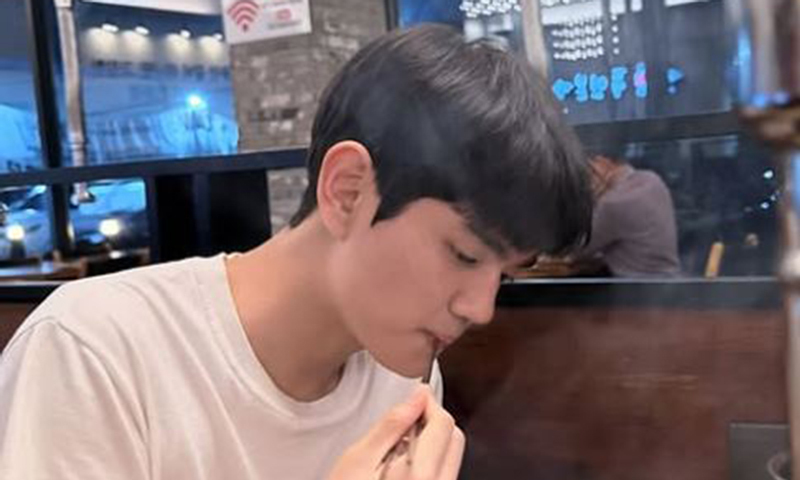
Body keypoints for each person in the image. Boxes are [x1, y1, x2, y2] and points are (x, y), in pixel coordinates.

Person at [0, 25, 593, 480]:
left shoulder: (401, 378)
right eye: (464, 255)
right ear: (348, 190)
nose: (480, 309)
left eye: (503, 277)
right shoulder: (95, 350)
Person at [575, 152, 681, 277]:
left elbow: (577, 250)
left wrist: (595, 199)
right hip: (671, 281)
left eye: (588, 173)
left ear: (601, 162)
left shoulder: (613, 202)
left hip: (633, 285)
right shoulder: (653, 180)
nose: (587, 184)